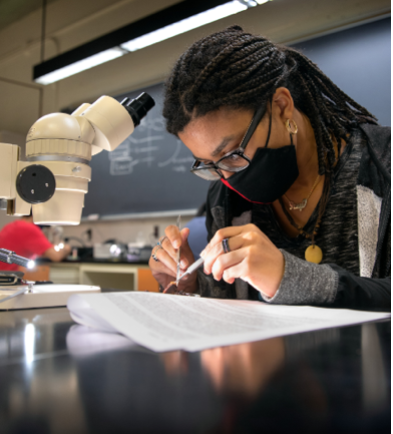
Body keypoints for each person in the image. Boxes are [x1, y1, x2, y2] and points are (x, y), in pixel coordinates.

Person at [150, 26, 391, 311]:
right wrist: (192, 283)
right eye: (210, 165)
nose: (227, 177)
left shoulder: (381, 165)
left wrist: (289, 276)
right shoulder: (227, 201)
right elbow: (233, 307)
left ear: (281, 106)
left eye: (231, 153)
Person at [0, 213, 72, 271]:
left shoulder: (12, 226)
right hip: (10, 281)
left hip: (0, 276)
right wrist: (67, 248)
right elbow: (56, 256)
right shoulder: (28, 228)